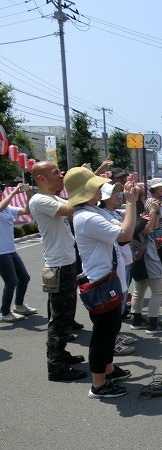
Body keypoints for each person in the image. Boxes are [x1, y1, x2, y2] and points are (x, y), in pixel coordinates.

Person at [64, 167, 139, 398]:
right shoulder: (87, 217)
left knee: (111, 330)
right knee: (103, 335)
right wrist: (131, 203)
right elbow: (125, 234)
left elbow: (123, 228)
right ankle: (98, 385)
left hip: (108, 280)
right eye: (95, 186)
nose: (100, 189)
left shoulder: (93, 212)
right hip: (100, 283)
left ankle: (108, 369)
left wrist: (128, 206)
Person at [30, 161, 86, 382]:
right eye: (55, 172)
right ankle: (56, 367)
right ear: (41, 178)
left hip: (65, 263)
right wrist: (80, 183)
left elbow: (75, 203)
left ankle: (60, 354)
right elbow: (73, 209)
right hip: (57, 266)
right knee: (59, 319)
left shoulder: (52, 198)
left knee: (65, 314)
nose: (60, 174)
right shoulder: (40, 199)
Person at [98, 182, 137, 356]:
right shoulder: (100, 215)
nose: (118, 195)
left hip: (120, 262)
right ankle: (112, 342)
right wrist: (131, 203)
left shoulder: (111, 213)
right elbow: (125, 234)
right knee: (111, 313)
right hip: (107, 271)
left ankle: (115, 336)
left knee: (119, 304)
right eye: (114, 193)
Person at [130, 197, 162, 334]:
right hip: (147, 259)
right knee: (158, 291)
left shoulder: (131, 217)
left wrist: (156, 214)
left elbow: (153, 228)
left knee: (139, 291)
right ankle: (153, 324)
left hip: (138, 258)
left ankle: (137, 320)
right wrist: (154, 211)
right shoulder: (140, 218)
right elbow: (148, 229)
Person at [0, 183, 36, 322]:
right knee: (11, 281)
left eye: (1, 190)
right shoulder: (3, 206)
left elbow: (27, 211)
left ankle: (19, 305)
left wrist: (28, 195)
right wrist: (14, 192)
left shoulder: (7, 208)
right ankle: (4, 312)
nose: (0, 192)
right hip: (1, 253)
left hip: (11, 250)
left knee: (24, 278)